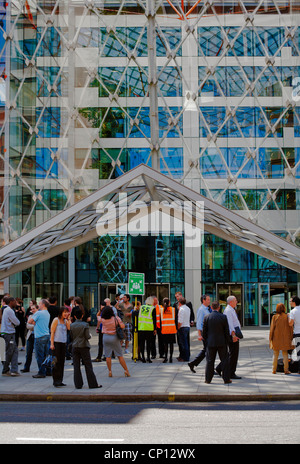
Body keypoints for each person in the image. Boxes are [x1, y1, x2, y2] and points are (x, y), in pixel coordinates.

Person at [70, 307, 102, 389]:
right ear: (82, 315)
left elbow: (71, 336)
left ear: (75, 316)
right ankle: (92, 384)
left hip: (75, 346)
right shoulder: (85, 325)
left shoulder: (72, 325)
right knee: (88, 365)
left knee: (76, 366)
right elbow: (87, 336)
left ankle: (78, 384)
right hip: (84, 346)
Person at [202, 301, 231, 384]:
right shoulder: (223, 317)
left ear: (211, 307)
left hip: (211, 342)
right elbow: (226, 331)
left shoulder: (207, 317)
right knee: (224, 361)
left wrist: (206, 340)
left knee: (210, 361)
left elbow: (204, 332)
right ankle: (226, 379)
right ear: (219, 307)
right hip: (222, 342)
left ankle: (208, 379)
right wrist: (227, 341)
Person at [99, 306, 130, 377]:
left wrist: (100, 311)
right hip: (114, 337)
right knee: (119, 355)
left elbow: (98, 316)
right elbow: (122, 326)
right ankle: (126, 370)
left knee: (107, 356)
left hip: (105, 337)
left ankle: (110, 371)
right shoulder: (116, 318)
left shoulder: (102, 319)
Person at [216, 295, 242, 380]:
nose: (236, 302)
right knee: (233, 353)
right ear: (230, 302)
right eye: (235, 300)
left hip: (234, 334)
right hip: (232, 335)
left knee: (232, 353)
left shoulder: (231, 310)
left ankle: (220, 368)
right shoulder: (228, 311)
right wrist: (233, 335)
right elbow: (230, 324)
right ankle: (231, 372)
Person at [188, 295, 211, 373]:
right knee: (208, 351)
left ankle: (193, 363)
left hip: (209, 333)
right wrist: (199, 334)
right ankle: (209, 368)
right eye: (208, 299)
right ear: (203, 300)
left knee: (206, 350)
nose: (209, 301)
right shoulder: (201, 310)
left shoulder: (208, 308)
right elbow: (199, 323)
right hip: (205, 333)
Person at [28, 298, 50, 379]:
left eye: (39, 304)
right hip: (46, 335)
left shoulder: (38, 313)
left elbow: (30, 321)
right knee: (46, 354)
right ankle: (48, 371)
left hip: (39, 336)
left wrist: (34, 321)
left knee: (39, 356)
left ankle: (41, 372)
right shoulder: (47, 313)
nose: (38, 305)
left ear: (43, 305)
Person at [269, 303, 294, 375]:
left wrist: (270, 338)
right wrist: (291, 337)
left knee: (275, 354)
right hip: (285, 338)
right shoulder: (287, 317)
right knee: (285, 354)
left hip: (276, 338)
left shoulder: (274, 317)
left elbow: (272, 329)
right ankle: (286, 370)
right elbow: (290, 328)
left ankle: (274, 369)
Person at [50, 306, 71, 387]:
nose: (66, 314)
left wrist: (68, 319)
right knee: (56, 362)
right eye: (64, 312)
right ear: (61, 312)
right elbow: (52, 332)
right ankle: (56, 380)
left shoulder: (66, 321)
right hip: (56, 343)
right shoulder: (56, 320)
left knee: (62, 362)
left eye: (67, 312)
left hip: (63, 343)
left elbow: (69, 328)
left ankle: (60, 380)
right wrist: (51, 344)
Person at [0, 296, 20, 376]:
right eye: (15, 301)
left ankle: (14, 370)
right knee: (10, 352)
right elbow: (17, 322)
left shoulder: (7, 310)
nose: (16, 303)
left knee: (14, 351)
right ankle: (5, 370)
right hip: (9, 334)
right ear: (11, 302)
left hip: (9, 333)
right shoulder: (9, 311)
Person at [157, 298, 177, 363]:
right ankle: (170, 358)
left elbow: (159, 320)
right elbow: (176, 319)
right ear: (169, 302)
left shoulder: (161, 310)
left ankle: (165, 358)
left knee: (165, 345)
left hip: (164, 329)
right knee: (171, 345)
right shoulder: (173, 309)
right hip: (172, 329)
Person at [137, 296, 157, 363]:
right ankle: (148, 357)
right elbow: (154, 320)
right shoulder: (152, 308)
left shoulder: (141, 307)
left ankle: (143, 357)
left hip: (141, 328)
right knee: (149, 344)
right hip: (149, 328)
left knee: (142, 343)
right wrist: (155, 329)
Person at [21, 302, 38, 373]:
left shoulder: (39, 316)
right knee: (28, 353)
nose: (32, 310)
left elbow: (39, 326)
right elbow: (28, 326)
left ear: (37, 309)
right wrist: (34, 325)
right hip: (30, 336)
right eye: (31, 309)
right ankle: (26, 367)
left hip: (37, 336)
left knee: (38, 354)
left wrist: (34, 325)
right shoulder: (31, 316)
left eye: (34, 309)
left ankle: (42, 369)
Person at [288, 296, 300, 374]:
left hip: (297, 333)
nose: (289, 302)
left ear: (294, 302)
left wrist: (289, 316)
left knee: (299, 352)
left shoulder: (293, 311)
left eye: (290, 301)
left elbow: (290, 323)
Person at [177, 296, 190, 362]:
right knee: (186, 343)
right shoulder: (187, 308)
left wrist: (178, 327)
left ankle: (184, 357)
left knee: (183, 343)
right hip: (187, 326)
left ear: (179, 302)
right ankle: (186, 356)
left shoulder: (181, 309)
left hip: (182, 327)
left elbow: (180, 320)